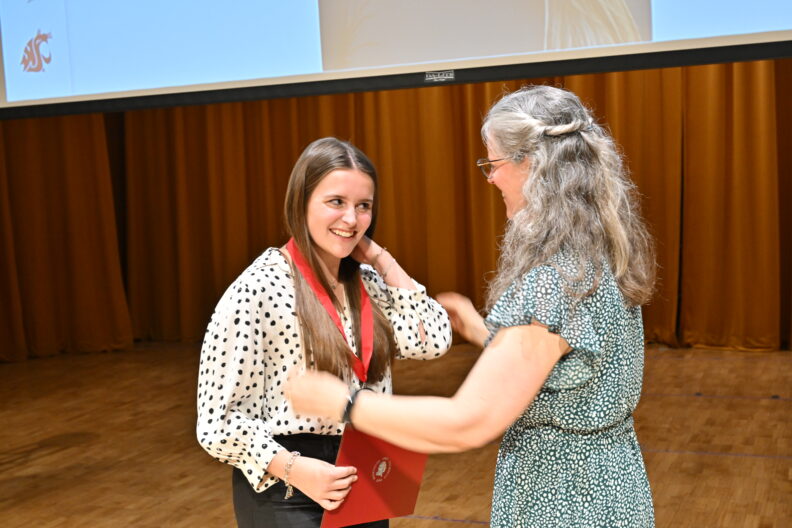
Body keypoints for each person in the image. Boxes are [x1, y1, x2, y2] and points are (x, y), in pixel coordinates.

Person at [286, 86, 657, 527]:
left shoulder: (555, 281)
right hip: (613, 484)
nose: (490, 178)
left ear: (532, 164)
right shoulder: (598, 255)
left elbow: (468, 421)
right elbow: (561, 363)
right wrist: (485, 332)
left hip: (565, 499)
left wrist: (345, 403)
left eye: (494, 163)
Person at [196, 137, 452, 528]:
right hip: (286, 486)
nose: (351, 219)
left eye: (363, 206)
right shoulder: (257, 288)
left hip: (362, 470)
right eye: (336, 202)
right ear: (301, 202)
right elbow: (217, 423)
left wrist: (382, 259)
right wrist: (298, 471)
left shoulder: (367, 281)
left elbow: (433, 340)